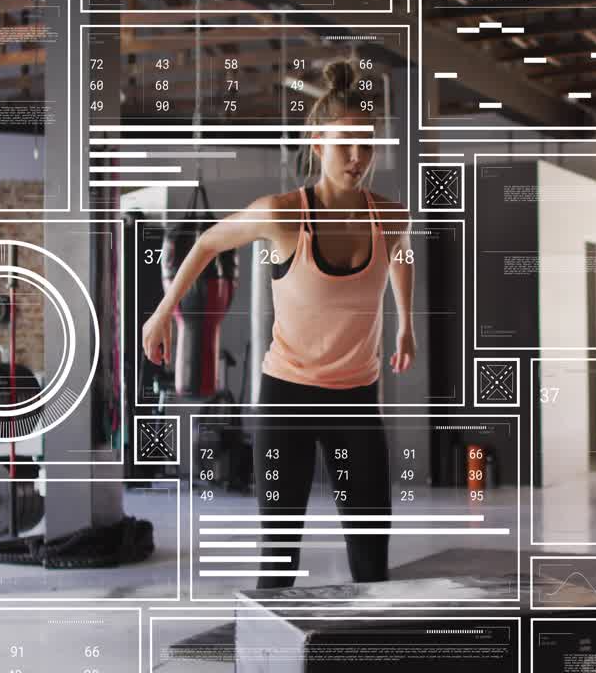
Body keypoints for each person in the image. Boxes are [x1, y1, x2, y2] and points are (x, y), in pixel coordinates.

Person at [142, 60, 415, 588]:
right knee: (279, 561)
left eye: (368, 143)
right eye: (345, 143)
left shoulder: (390, 215)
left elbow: (400, 255)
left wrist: (405, 324)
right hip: (286, 396)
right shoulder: (282, 214)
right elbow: (205, 243)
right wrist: (160, 313)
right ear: (317, 143)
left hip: (356, 398)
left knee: (371, 562)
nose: (358, 157)